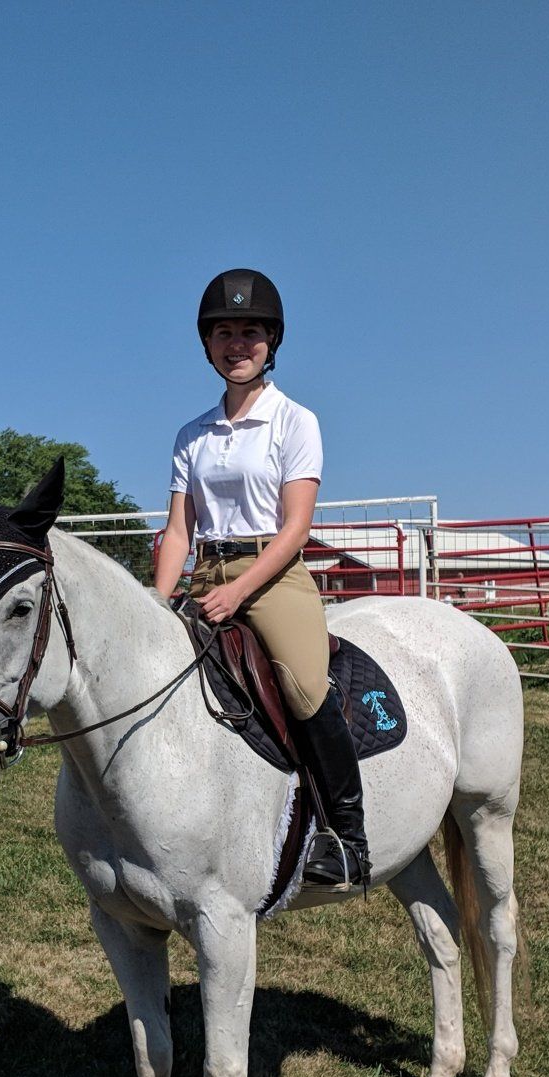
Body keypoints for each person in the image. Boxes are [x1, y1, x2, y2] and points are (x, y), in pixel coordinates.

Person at [152, 269, 369, 888]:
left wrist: (239, 591)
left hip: (272, 576)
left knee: (304, 688)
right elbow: (177, 532)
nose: (237, 344)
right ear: (207, 343)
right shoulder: (191, 435)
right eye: (224, 332)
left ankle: (347, 839)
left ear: (271, 342)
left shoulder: (295, 421)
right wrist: (159, 600)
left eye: (250, 332)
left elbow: (296, 528)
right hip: (206, 571)